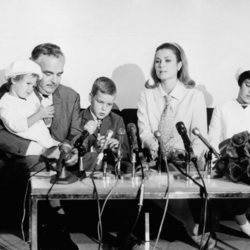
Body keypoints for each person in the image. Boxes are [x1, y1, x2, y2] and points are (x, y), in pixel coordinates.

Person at [0, 43, 82, 250]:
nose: (54, 80)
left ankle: (55, 231)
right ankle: (53, 232)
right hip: (24, 162)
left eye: (59, 74)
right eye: (47, 73)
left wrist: (71, 149)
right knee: (33, 165)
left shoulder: (70, 96)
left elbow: (76, 133)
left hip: (58, 160)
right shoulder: (9, 94)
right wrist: (39, 150)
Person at [137, 42, 215, 248]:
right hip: (156, 159)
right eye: (158, 61)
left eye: (168, 60)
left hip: (185, 162)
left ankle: (190, 227)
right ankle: (192, 227)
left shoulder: (194, 96)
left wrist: (191, 157)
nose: (161, 65)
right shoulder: (147, 95)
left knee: (172, 175)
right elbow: (144, 132)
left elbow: (199, 137)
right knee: (151, 178)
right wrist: (157, 148)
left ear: (180, 65)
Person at [209, 64, 250, 237]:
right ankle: (243, 222)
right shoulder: (222, 108)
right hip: (227, 164)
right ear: (240, 84)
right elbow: (213, 141)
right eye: (248, 84)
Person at [0, 59, 59, 150]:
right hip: (35, 148)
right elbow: (15, 126)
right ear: (14, 80)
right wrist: (39, 114)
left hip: (47, 141)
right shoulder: (5, 103)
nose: (31, 89)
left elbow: (41, 123)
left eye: (33, 86)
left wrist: (46, 119)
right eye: (28, 83)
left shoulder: (31, 97)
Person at [79, 76, 131, 173]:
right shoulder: (78, 119)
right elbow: (75, 153)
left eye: (109, 104)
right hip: (87, 171)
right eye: (100, 102)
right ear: (90, 98)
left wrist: (117, 149)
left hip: (110, 172)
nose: (104, 108)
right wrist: (93, 148)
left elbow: (127, 154)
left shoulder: (117, 120)